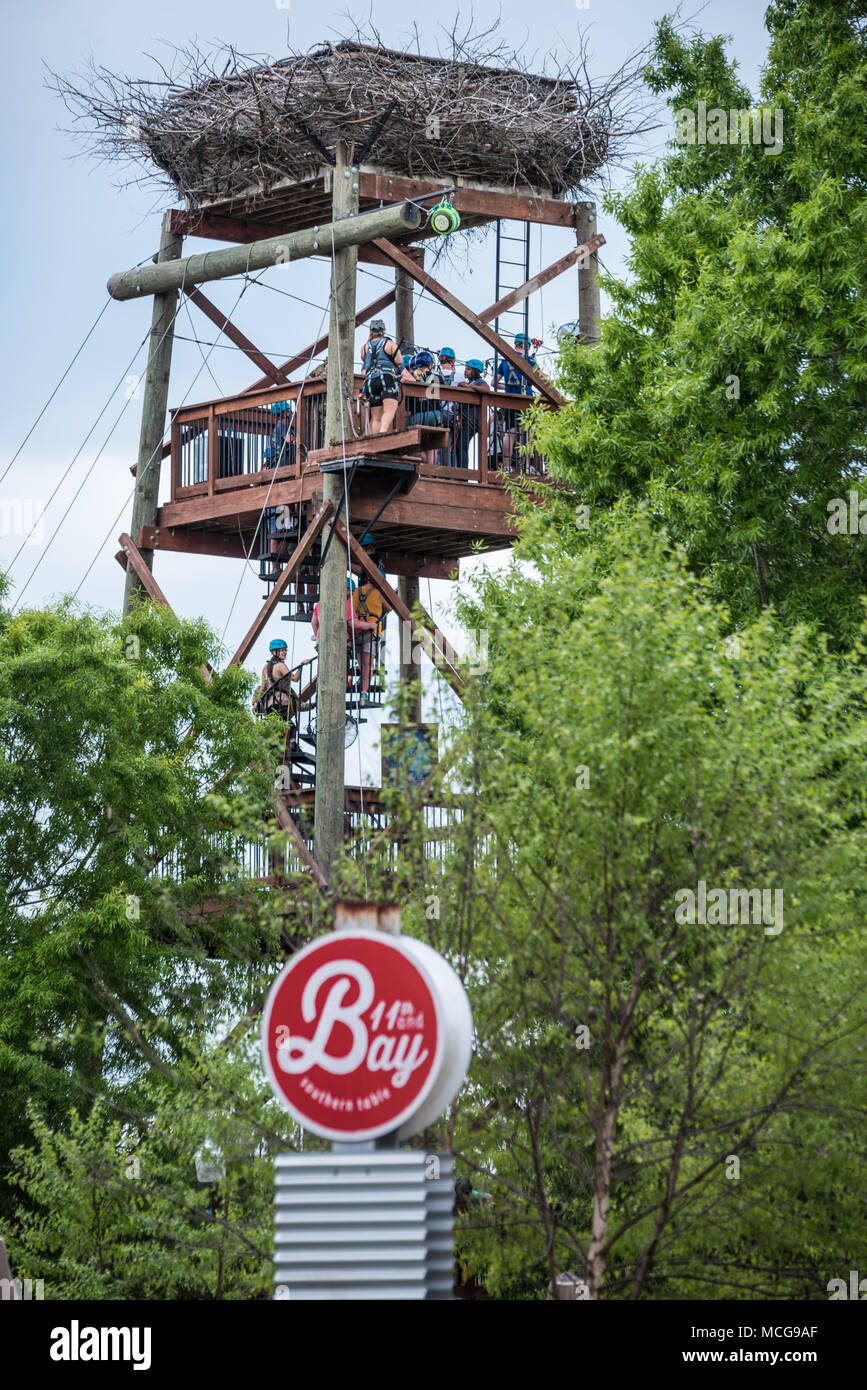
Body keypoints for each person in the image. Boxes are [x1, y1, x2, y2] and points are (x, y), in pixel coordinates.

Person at [494, 333, 538, 470]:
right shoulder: (530, 361)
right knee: (527, 433)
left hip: (510, 400)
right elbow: (541, 380)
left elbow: (494, 382)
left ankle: (506, 466)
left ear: (516, 344)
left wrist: (507, 387)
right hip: (526, 400)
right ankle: (526, 465)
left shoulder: (505, 361)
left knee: (510, 433)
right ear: (527, 346)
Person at [351, 555, 390, 700]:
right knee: (368, 662)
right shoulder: (379, 595)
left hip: (357, 631)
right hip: (372, 631)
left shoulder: (357, 591)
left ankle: (363, 685)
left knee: (361, 660)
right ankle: (364, 692)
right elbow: (390, 608)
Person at [361, 320, 403, 435]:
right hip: (386, 377)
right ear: (383, 331)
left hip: (370, 381)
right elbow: (399, 361)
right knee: (389, 409)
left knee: (376, 417)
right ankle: (383, 432)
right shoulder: (389, 344)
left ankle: (375, 438)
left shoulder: (365, 347)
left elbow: (364, 360)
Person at [253, 639, 301, 727]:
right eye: (282, 650)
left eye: (285, 650)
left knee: (275, 727)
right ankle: (292, 740)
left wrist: (257, 702)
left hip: (269, 704)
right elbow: (295, 678)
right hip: (281, 702)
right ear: (274, 652)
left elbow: (263, 688)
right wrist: (301, 666)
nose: (285, 652)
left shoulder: (265, 667)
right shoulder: (281, 666)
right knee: (289, 727)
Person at [454, 358, 490, 468]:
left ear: (475, 371)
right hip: (465, 418)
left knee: (462, 445)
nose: (465, 371)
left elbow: (486, 389)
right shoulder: (470, 382)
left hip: (471, 420)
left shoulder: (479, 382)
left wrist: (468, 386)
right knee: (459, 445)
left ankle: (463, 472)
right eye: (465, 369)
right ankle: (461, 469)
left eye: (468, 369)